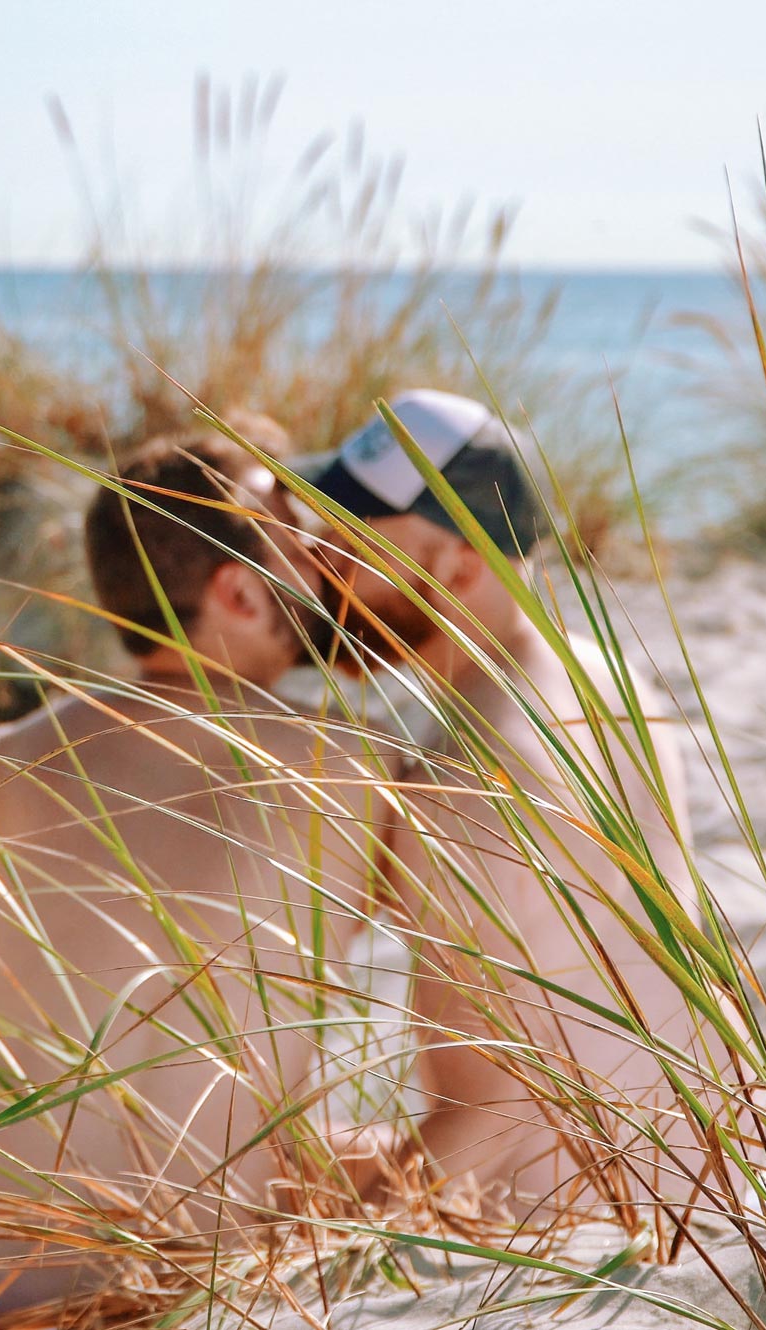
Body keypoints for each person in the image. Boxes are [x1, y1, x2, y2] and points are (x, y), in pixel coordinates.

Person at [0, 425, 380, 1317]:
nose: (325, 558)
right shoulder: (351, 769)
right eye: (299, 536)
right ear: (241, 594)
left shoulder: (34, 746)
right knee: (344, 1130)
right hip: (197, 1267)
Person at [295, 389, 711, 1225]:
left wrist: (329, 1244)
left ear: (460, 564)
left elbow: (493, 1114)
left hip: (560, 1219)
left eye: (352, 542)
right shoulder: (609, 681)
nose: (321, 564)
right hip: (697, 1169)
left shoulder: (464, 780)